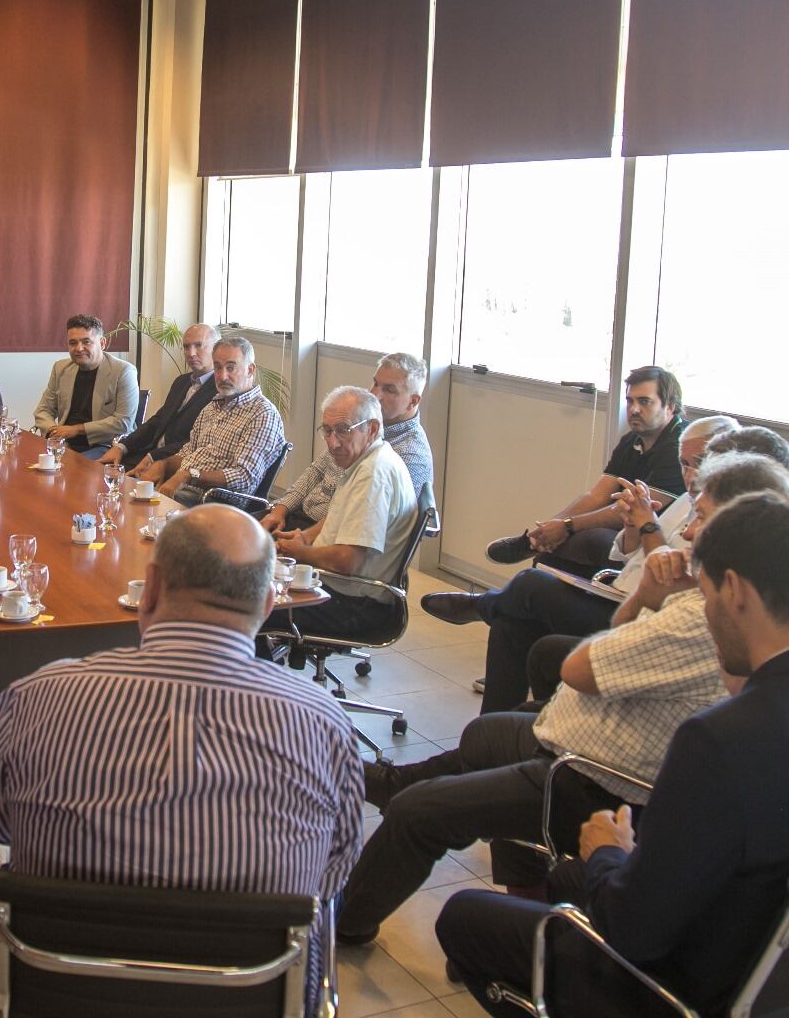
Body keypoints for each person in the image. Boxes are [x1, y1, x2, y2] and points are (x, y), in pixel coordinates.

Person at [336, 452, 789, 947]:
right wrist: (650, 595)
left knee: (419, 811)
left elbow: (580, 668)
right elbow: (620, 642)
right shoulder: (706, 601)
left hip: (588, 774)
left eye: (700, 517)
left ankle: (348, 923)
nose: (684, 530)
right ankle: (522, 902)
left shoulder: (704, 616)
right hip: (582, 743)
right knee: (486, 735)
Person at [0, 504, 366, 996]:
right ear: (266, 607)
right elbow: (332, 871)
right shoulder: (324, 723)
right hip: (248, 1000)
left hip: (62, 994)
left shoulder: (37, 696)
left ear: (149, 590)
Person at [436, 490, 789, 1018]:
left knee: (463, 917)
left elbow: (633, 929)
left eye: (708, 594)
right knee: (557, 876)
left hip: (669, 984)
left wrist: (606, 850)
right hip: (756, 968)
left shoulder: (717, 741)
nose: (706, 614)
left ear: (735, 589)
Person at [422, 414, 741, 713]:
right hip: (615, 592)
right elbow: (628, 552)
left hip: (637, 617)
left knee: (528, 585)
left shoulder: (721, 515)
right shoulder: (687, 499)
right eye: (684, 464)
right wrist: (632, 526)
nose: (690, 474)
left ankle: (484, 605)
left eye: (698, 463)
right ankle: (493, 722)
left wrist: (647, 525)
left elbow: (669, 578)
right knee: (514, 620)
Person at [484, 366, 687, 578]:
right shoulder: (632, 439)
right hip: (628, 530)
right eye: (630, 401)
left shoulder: (679, 447)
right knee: (549, 556)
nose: (634, 409)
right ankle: (537, 547)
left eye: (644, 401)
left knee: (588, 539)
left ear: (670, 406)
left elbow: (634, 511)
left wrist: (568, 526)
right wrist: (551, 528)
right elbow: (597, 495)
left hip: (657, 540)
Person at [268, 388, 418, 639]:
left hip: (354, 604)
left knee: (244, 604)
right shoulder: (368, 458)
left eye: (343, 430)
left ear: (371, 429)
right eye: (327, 430)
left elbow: (347, 561)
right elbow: (341, 514)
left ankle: (260, 674)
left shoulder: (373, 475)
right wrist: (305, 537)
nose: (332, 442)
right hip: (341, 585)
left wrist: (301, 553)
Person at [262, 353, 434, 533]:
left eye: (389, 390)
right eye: (375, 383)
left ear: (413, 401)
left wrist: (302, 540)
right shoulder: (362, 417)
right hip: (299, 517)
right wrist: (280, 510)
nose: (375, 394)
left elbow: (369, 525)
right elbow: (317, 470)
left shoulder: (410, 455)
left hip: (327, 536)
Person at [153, 336, 284, 501]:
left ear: (250, 370)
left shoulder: (263, 414)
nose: (222, 376)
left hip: (214, 501)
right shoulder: (212, 406)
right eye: (217, 368)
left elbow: (244, 477)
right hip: (183, 488)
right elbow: (188, 452)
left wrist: (189, 476)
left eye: (231, 368)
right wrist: (162, 465)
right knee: (127, 494)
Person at [97, 323, 218, 474]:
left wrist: (153, 457)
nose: (191, 353)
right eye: (186, 347)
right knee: (100, 473)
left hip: (175, 465)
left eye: (199, 345)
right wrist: (122, 447)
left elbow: (197, 442)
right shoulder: (181, 381)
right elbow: (158, 421)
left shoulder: (220, 391)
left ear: (216, 349)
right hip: (148, 453)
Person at [33, 314, 137, 457]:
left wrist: (76, 430)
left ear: (102, 343)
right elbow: (43, 411)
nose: (79, 348)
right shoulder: (60, 368)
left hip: (104, 445)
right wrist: (54, 433)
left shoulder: (124, 372)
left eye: (86, 342)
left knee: (69, 467)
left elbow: (123, 422)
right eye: (73, 343)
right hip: (65, 443)